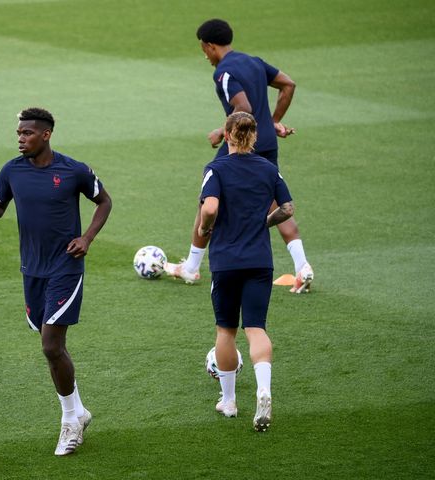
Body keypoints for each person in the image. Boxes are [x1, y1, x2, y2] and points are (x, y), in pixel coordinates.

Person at [0, 107, 112, 455]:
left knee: (51, 345)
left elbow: (104, 201)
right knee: (50, 343)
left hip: (65, 267)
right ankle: (80, 410)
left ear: (46, 135)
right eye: (19, 133)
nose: (20, 138)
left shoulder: (73, 171)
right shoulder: (11, 171)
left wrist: (87, 239)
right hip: (31, 270)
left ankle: (70, 421)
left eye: (27, 133)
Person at [165, 18, 313, 293]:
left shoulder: (223, 73)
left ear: (209, 46)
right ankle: (302, 266)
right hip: (265, 142)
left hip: (243, 141)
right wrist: (271, 123)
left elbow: (242, 106)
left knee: (209, 194)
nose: (204, 55)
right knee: (274, 201)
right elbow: (288, 84)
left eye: (203, 49)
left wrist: (222, 132)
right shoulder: (254, 62)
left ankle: (192, 267)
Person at [199, 111, 293, 431]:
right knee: (256, 327)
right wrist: (265, 223)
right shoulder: (269, 169)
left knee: (226, 329)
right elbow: (288, 208)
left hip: (226, 260)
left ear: (226, 135)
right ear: (254, 137)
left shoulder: (216, 169)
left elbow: (210, 207)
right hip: (259, 260)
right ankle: (264, 390)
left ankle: (229, 400)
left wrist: (205, 226)